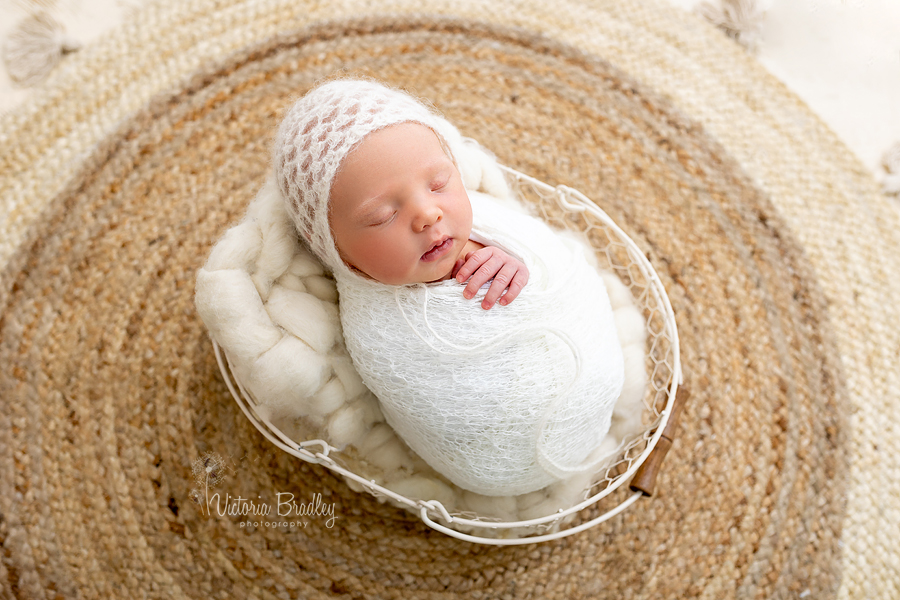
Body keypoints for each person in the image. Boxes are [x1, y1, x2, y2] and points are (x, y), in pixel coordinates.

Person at [274, 78, 625, 496]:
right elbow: (427, 395)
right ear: (333, 248)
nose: (427, 214)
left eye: (439, 183)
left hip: (591, 384)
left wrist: (516, 262)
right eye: (382, 215)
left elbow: (556, 265)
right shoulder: (378, 328)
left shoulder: (492, 225)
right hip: (496, 460)